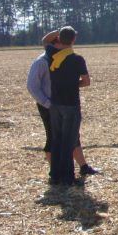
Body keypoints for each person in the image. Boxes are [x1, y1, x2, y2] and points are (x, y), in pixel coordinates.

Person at [27, 30, 99, 177]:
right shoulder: (42, 61)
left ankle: (82, 166)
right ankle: (56, 171)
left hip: (58, 104)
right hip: (49, 105)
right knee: (54, 138)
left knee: (72, 136)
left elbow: (45, 40)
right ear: (57, 42)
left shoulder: (57, 56)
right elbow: (32, 86)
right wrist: (47, 103)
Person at [46, 26, 91, 186]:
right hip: (71, 105)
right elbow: (86, 82)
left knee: (57, 140)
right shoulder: (77, 59)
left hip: (55, 105)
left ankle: (55, 175)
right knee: (69, 142)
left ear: (59, 39)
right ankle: (67, 177)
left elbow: (45, 40)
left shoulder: (52, 55)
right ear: (73, 40)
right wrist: (73, 84)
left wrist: (57, 32)